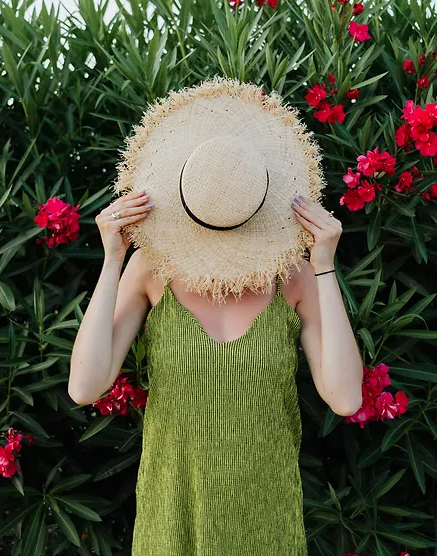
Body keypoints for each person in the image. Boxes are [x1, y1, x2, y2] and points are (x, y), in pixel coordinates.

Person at [68, 76, 364, 556]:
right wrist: (112, 261)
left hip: (267, 527)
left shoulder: (293, 277)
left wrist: (324, 265)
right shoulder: (152, 271)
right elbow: (84, 386)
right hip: (172, 524)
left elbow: (347, 397)